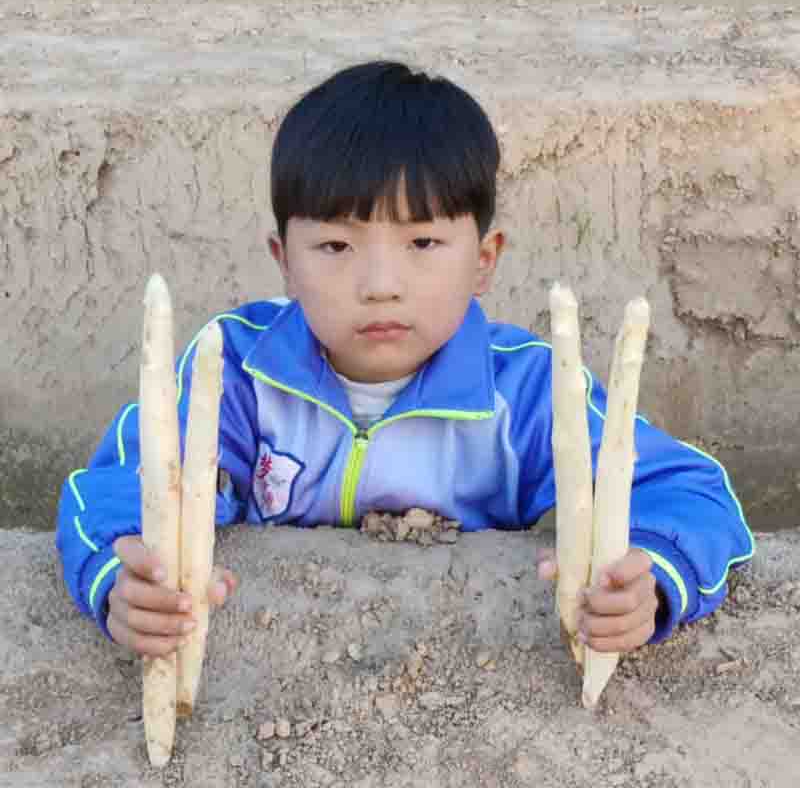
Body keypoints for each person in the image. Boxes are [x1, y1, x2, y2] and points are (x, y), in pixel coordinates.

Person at [56, 60, 754, 659]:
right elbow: (119, 485)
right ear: (285, 263)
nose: (380, 282)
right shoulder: (237, 368)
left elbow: (690, 492)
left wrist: (651, 580)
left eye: (422, 244)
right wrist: (125, 576)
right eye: (336, 247)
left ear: (483, 261)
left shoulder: (529, 389)